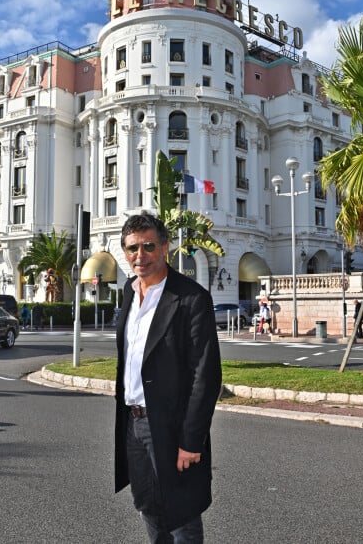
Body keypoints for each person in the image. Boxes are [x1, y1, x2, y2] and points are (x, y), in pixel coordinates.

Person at [114, 213, 222, 543]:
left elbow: (206, 375)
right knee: (149, 506)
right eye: (132, 248)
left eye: (148, 246)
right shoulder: (129, 293)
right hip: (134, 424)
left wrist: (191, 441)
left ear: (164, 247)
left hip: (172, 427)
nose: (139, 255)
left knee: (182, 514)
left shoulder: (190, 298)